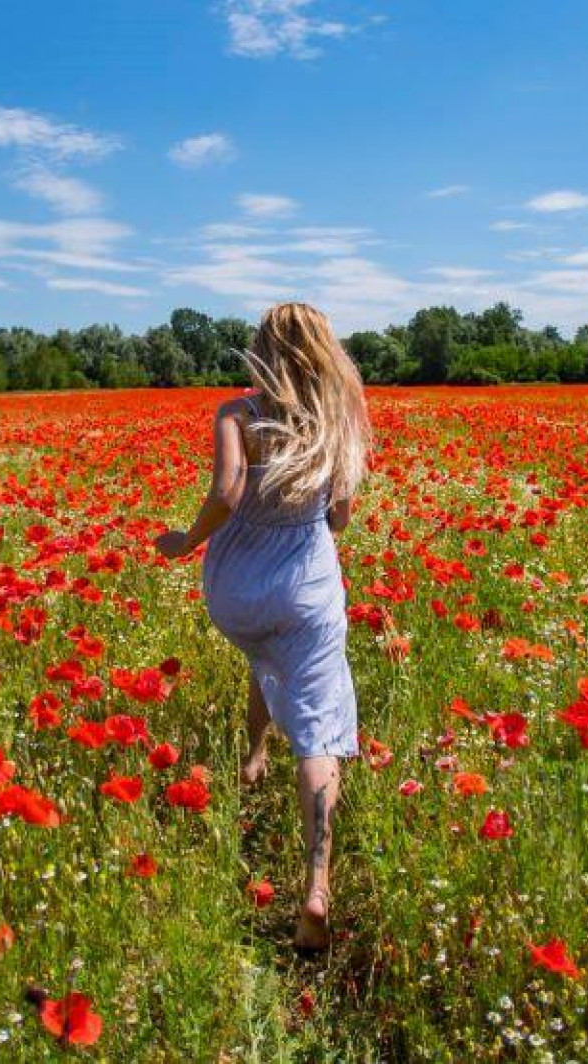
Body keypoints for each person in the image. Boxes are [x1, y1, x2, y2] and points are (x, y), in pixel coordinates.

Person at [154, 302, 373, 953]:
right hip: (306, 586)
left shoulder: (238, 414)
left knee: (264, 653)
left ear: (262, 350)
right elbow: (339, 518)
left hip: (239, 590)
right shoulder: (337, 419)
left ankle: (252, 757)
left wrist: (185, 540)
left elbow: (227, 495)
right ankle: (317, 889)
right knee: (318, 731)